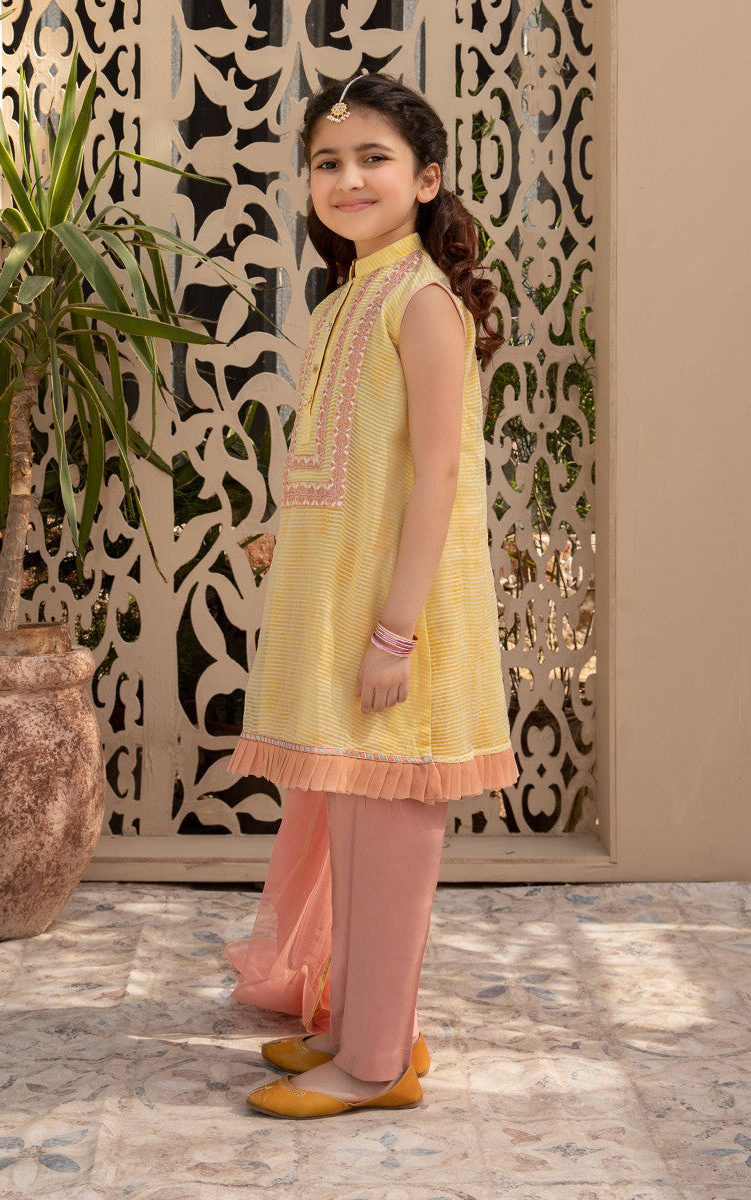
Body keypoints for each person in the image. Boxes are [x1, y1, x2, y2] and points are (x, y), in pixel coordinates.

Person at [223, 70, 519, 1119]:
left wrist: (395, 632)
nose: (346, 178)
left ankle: (376, 1067)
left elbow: (438, 476)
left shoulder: (422, 301)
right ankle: (355, 1029)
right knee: (351, 829)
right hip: (341, 601)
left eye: (372, 159)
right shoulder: (351, 296)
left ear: (426, 178)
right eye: (327, 162)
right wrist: (292, 532)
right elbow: (353, 462)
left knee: (390, 839)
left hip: (401, 616)